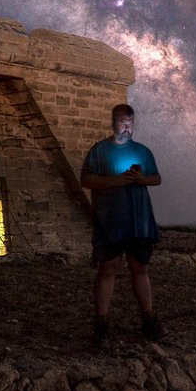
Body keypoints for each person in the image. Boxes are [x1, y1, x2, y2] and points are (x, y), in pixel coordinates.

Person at [79, 103, 164, 347]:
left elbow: (156, 178)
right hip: (110, 221)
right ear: (113, 122)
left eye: (130, 124)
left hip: (138, 222)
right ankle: (101, 325)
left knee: (140, 269)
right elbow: (86, 179)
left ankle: (148, 320)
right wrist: (115, 181)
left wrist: (141, 179)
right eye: (122, 124)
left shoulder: (143, 151)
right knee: (108, 269)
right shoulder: (99, 151)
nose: (127, 129)